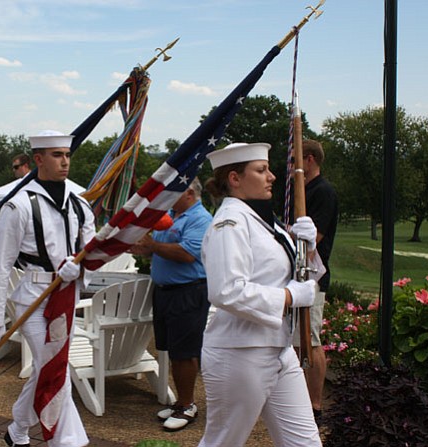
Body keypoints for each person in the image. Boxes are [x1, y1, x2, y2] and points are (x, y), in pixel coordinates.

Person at [198, 142, 323, 446]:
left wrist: (309, 249)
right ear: (234, 179)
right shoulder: (229, 224)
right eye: (261, 170)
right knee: (223, 442)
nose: (272, 177)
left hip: (279, 350)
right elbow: (226, 291)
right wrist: (289, 297)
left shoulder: (269, 224)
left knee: (305, 443)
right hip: (240, 353)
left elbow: (300, 276)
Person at [0, 130, 95, 447]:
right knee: (56, 372)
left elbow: (92, 250)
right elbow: (1, 266)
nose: (64, 162)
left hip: (66, 296)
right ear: (38, 159)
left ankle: (18, 430)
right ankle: (68, 441)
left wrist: (79, 267)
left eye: (67, 155)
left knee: (46, 371)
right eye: (57, 155)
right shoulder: (17, 206)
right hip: (33, 296)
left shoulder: (79, 204)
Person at [129, 177, 212, 432]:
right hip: (165, 292)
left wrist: (153, 245)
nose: (164, 198)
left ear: (189, 192)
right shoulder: (169, 215)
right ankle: (180, 402)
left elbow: (187, 254)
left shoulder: (201, 219)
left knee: (184, 353)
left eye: (171, 193)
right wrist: (140, 247)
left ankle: (188, 405)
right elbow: (157, 248)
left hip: (188, 291)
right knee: (170, 349)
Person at [291, 139, 338, 422]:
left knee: (312, 340)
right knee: (297, 340)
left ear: (309, 160)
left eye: (294, 159)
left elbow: (314, 237)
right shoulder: (300, 191)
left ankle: (315, 405)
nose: (290, 166)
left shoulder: (323, 192)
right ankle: (297, 399)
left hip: (313, 274)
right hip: (295, 275)